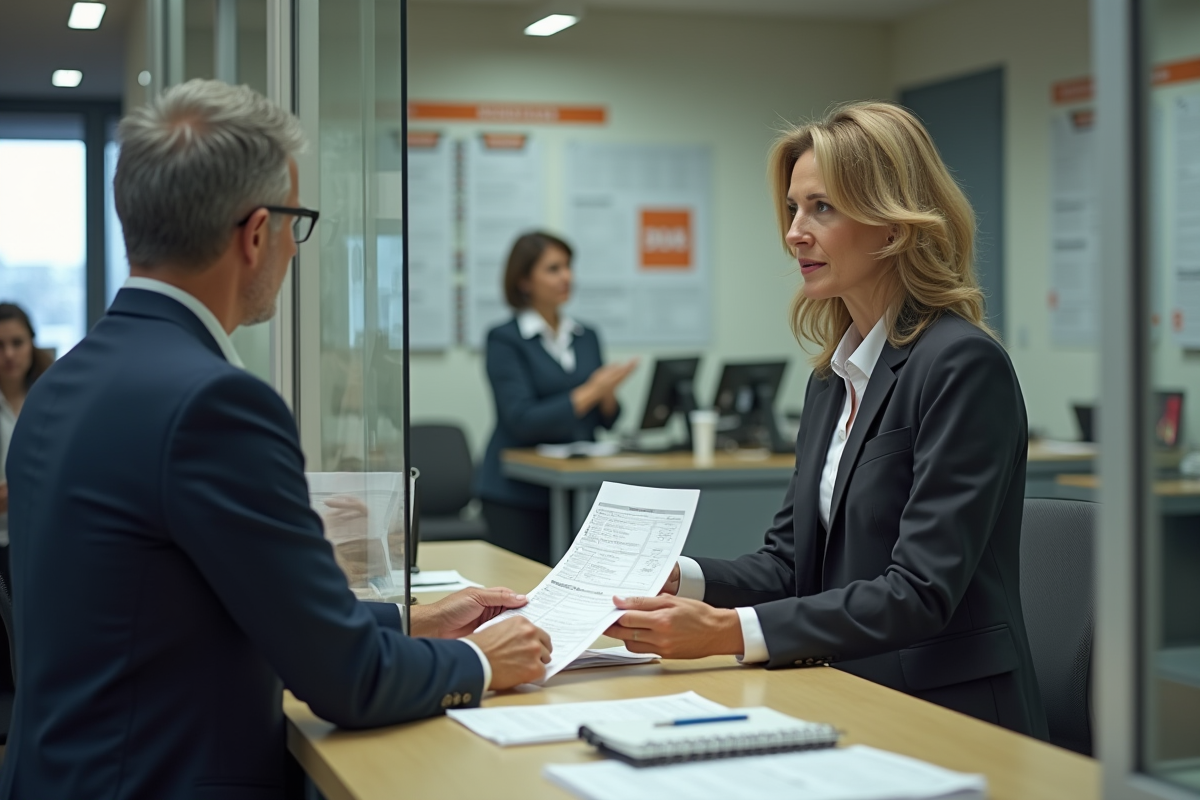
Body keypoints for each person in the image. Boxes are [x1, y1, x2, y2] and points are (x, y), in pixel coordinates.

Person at [0, 80, 552, 800]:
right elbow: (345, 682)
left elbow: (190, 603)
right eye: (295, 222)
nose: (295, 247)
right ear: (257, 233)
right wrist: (480, 662)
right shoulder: (214, 403)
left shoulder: (62, 384)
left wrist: (405, 621)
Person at [606, 102, 1049, 739]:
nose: (794, 232)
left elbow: (920, 590)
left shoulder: (961, 365)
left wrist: (727, 632)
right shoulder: (830, 379)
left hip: (949, 713)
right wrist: (681, 577)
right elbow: (791, 565)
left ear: (891, 224)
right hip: (847, 687)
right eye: (793, 208)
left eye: (822, 208)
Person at [476, 232, 636, 564]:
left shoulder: (586, 335)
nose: (567, 277)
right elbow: (522, 420)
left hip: (577, 488)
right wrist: (593, 389)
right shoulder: (504, 339)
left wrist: (606, 394)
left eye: (568, 267)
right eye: (553, 268)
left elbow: (605, 419)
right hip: (517, 493)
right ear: (524, 281)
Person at [0, 302, 52, 591]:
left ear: (32, 342)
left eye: (17, 343)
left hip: (41, 538)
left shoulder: (52, 397)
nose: (8, 354)